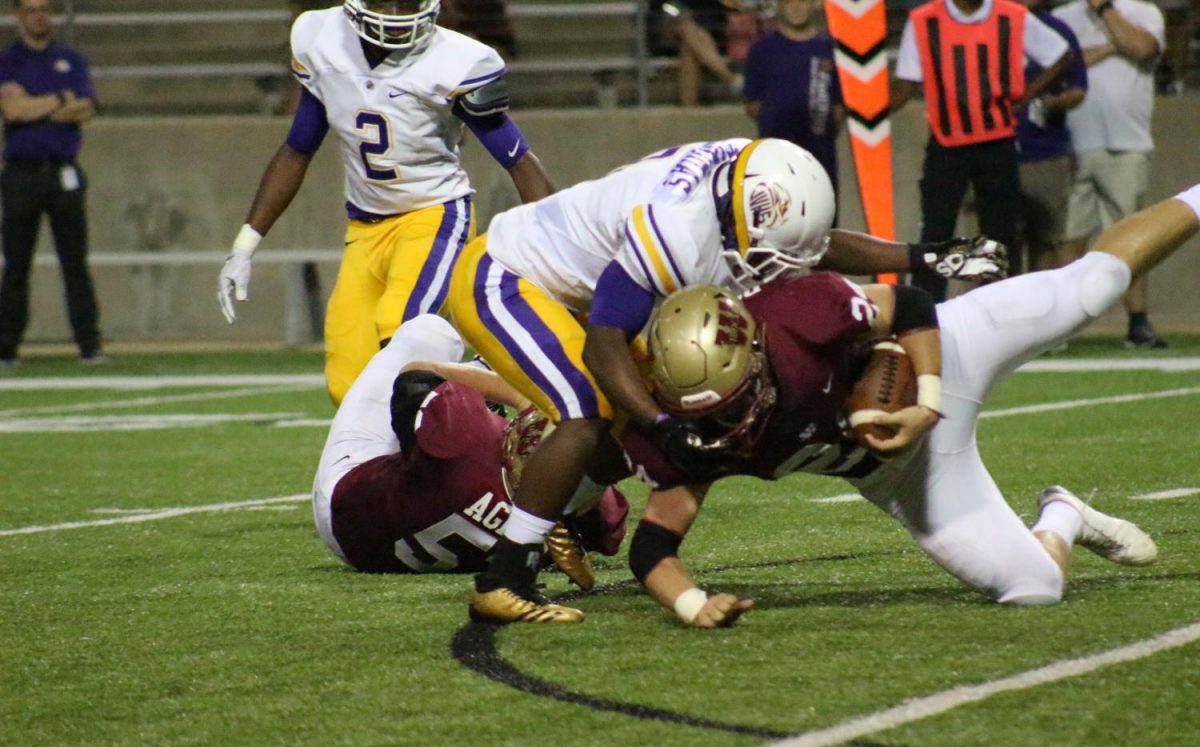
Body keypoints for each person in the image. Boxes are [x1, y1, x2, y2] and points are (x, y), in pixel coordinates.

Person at [445, 137, 1009, 624]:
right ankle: (502, 577)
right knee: (590, 409)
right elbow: (603, 343)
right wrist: (660, 424)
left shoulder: (748, 182)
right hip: (506, 276)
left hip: (579, 285)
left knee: (633, 414)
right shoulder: (673, 232)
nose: (775, 271)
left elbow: (808, 245)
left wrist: (923, 256)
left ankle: (561, 510)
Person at [619, 182, 1200, 628]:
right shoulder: (691, 427)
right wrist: (692, 603)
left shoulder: (797, 311)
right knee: (1033, 586)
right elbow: (653, 545)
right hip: (900, 472)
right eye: (714, 409)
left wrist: (926, 399)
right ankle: (1063, 515)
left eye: (737, 396)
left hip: (946, 354)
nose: (731, 416)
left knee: (1090, 289)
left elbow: (913, 305)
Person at [217, 0, 555, 405]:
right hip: (363, 229)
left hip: (433, 217)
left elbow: (519, 160)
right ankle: (472, 400)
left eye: (407, 2)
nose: (396, 12)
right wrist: (245, 244)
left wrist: (553, 247)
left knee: (402, 345)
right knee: (348, 385)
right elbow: (297, 148)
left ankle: (492, 394)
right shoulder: (322, 40)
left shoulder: (457, 60)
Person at [313, 314, 628, 595]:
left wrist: (525, 398)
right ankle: (484, 380)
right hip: (424, 531)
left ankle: (486, 372)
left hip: (347, 511)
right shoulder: (595, 516)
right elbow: (605, 525)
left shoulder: (464, 439)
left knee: (431, 333)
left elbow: (416, 375)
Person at [891, 0, 1074, 299]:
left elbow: (1060, 54)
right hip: (946, 143)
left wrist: (1025, 96)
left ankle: (998, 307)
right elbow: (907, 84)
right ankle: (927, 310)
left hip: (996, 142)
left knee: (1000, 235)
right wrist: (865, 110)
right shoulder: (925, 21)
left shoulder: (1011, 16)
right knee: (937, 231)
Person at [1054, 0, 1168, 348]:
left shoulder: (1144, 12)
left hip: (1126, 142)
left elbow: (1143, 47)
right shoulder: (1063, 17)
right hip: (1072, 144)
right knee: (1067, 239)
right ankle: (1058, 329)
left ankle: (1138, 323)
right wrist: (1113, 46)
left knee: (1131, 238)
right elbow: (1060, 68)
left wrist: (1104, 10)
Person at [0, 0, 103, 367]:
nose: (38, 15)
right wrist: (60, 100)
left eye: (44, 8)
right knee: (16, 264)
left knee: (75, 262)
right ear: (19, 15)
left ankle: (89, 345)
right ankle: (7, 347)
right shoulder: (8, 60)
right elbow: (12, 110)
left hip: (63, 170)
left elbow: (86, 109)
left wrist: (34, 104)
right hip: (22, 173)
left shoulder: (70, 60)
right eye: (30, 9)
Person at [742, 0, 844, 203]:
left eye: (803, 1)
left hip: (821, 159)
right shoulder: (762, 50)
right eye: (789, 2)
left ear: (815, 4)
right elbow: (752, 103)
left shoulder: (831, 50)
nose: (796, 7)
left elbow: (839, 106)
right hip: (774, 161)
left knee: (824, 227)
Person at [1015, 0, 1088, 272]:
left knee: (1046, 241)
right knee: (995, 243)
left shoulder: (1058, 31)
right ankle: (1003, 310)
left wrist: (1052, 103)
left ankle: (1039, 309)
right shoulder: (989, 23)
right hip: (992, 152)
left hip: (1045, 150)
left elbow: (1078, 88)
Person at [647, 0, 748, 106]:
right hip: (671, 29)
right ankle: (730, 78)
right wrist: (678, 11)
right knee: (686, 27)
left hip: (709, 31)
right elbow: (661, 6)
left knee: (688, 47)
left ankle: (689, 110)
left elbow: (726, 8)